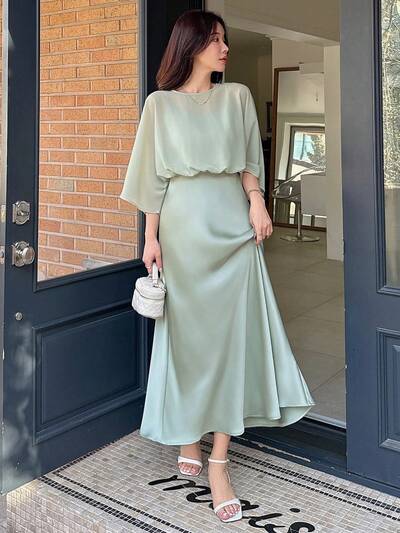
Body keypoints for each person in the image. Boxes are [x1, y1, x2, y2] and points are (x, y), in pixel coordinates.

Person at [120, 9, 316, 524]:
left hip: (232, 230)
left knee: (232, 342)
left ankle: (220, 462)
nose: (224, 48)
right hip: (182, 234)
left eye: (225, 39)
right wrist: (150, 237)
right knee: (187, 342)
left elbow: (250, 159)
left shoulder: (238, 97)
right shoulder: (160, 105)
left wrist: (257, 201)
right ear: (189, 46)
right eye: (214, 39)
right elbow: (152, 178)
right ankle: (188, 435)